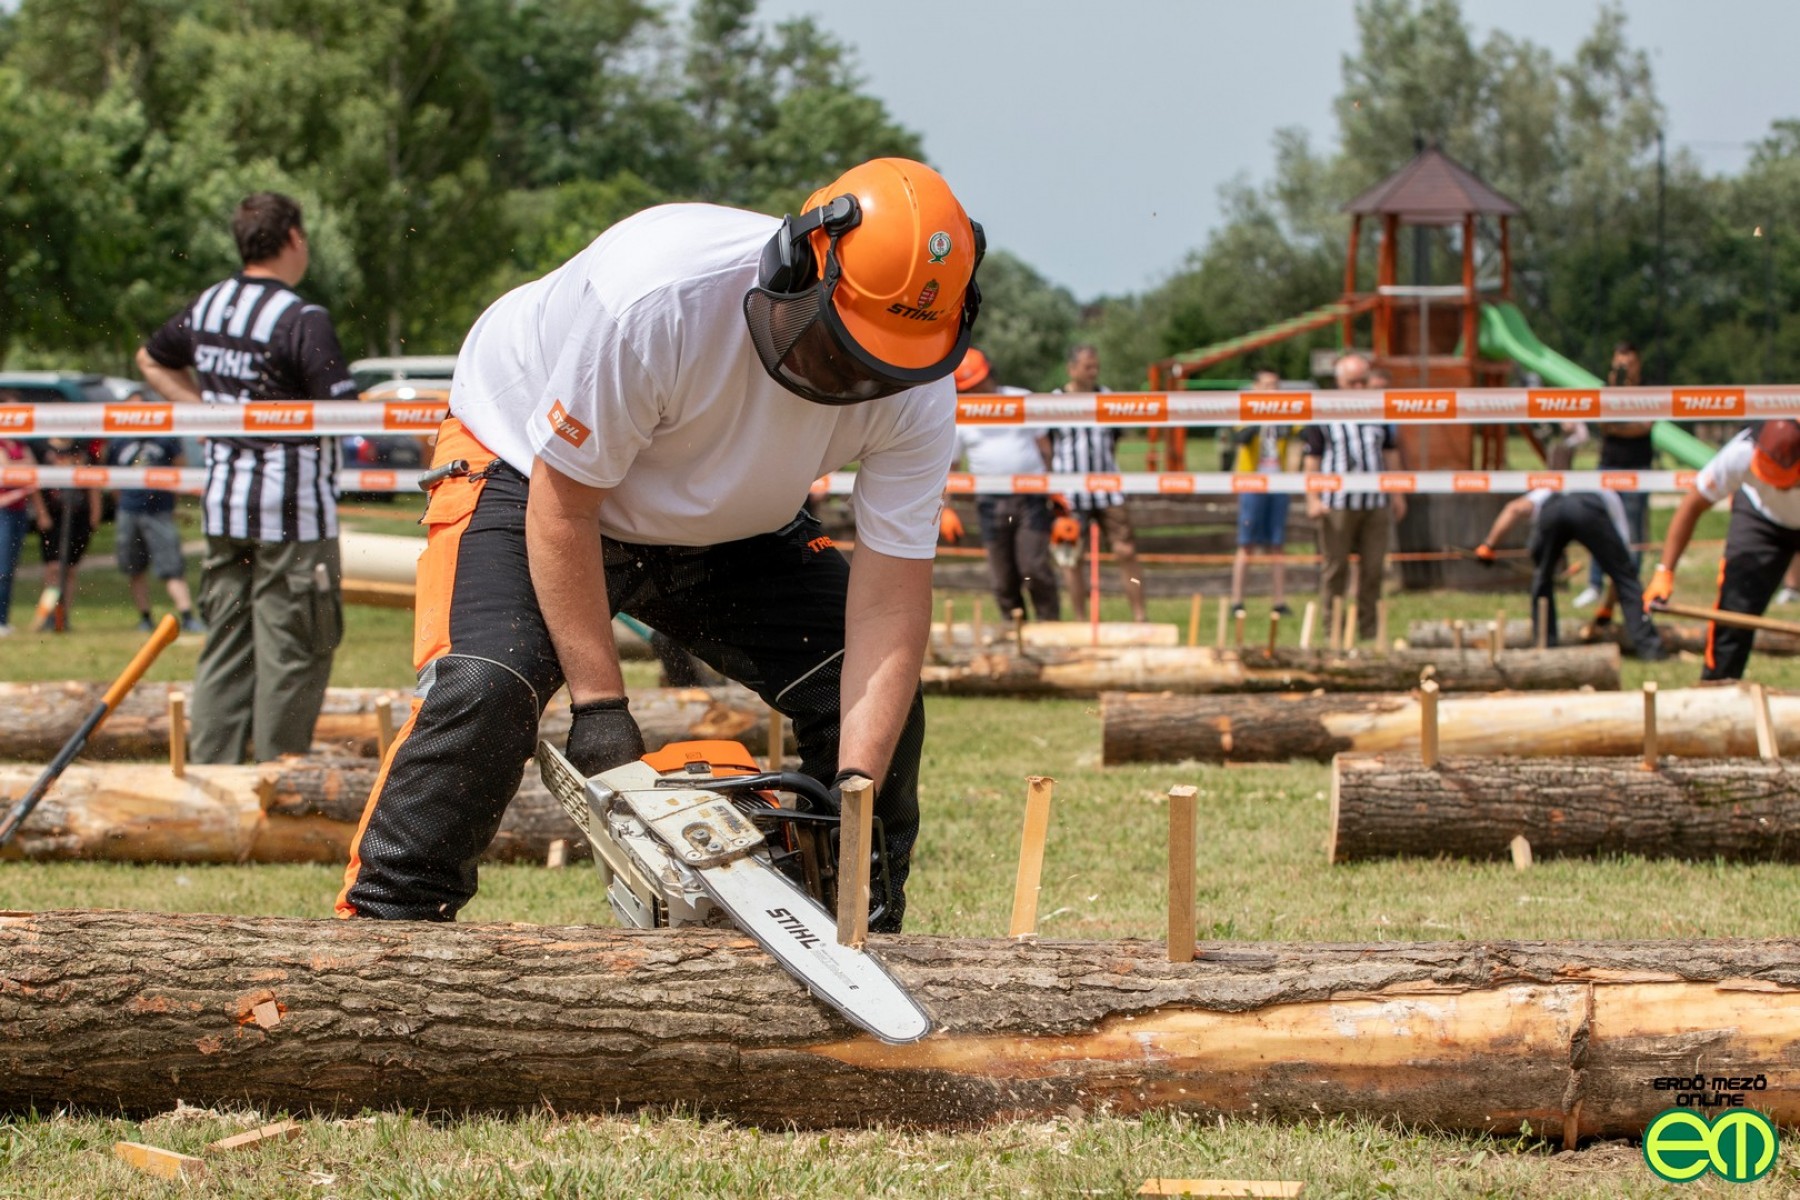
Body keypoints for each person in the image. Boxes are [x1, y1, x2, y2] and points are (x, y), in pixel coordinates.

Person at [333, 158, 984, 931]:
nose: (853, 381)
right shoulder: (658, 298)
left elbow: (890, 600)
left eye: (877, 367)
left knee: (874, 698)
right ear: (794, 271)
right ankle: (385, 931)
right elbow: (564, 505)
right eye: (838, 349)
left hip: (729, 520)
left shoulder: (918, 379)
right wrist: (602, 709)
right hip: (527, 467)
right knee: (487, 686)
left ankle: (849, 925)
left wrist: (854, 790)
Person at [136, 192, 359, 762]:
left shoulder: (210, 305)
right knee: (296, 647)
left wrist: (207, 413)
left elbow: (151, 358)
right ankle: (277, 779)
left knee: (226, 645)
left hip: (224, 504)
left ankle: (215, 772)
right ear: (292, 239)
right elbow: (345, 411)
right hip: (293, 513)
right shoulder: (301, 318)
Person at [1644, 420, 1800, 680]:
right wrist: (1664, 571)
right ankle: (1717, 691)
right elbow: (1692, 505)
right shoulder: (1741, 454)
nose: (1776, 488)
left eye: (1783, 484)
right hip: (1761, 519)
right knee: (1734, 611)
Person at [1476, 487, 1664, 660]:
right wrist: (1607, 607)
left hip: (1553, 511)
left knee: (1542, 580)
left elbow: (1514, 509)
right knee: (1625, 577)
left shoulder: (1549, 486)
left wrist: (1489, 544)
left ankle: (1544, 642)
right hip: (1589, 511)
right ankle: (1650, 649)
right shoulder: (1609, 494)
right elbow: (1621, 571)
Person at [1300, 352, 1407, 642]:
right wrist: (1312, 498)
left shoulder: (1379, 411)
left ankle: (1369, 632)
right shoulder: (1323, 413)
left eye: (1363, 381)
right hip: (1337, 505)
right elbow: (1312, 460)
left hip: (1374, 504)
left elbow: (1390, 454)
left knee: (1373, 571)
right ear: (1339, 383)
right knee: (1335, 571)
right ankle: (1332, 633)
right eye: (1352, 382)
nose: (1359, 388)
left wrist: (1397, 492)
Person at [951, 348, 1059, 622]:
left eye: (977, 385)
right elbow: (951, 466)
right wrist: (946, 508)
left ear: (989, 375)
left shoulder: (1021, 399)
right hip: (989, 501)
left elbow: (1045, 448)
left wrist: (1057, 489)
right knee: (1002, 578)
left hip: (1031, 497)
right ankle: (1012, 635)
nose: (975, 393)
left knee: (1033, 567)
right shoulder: (960, 413)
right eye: (968, 388)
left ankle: (1050, 627)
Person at [1049, 344, 1148, 622]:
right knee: (1070, 555)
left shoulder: (1108, 398)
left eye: (1096, 366)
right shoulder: (1055, 400)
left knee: (1125, 549)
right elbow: (1048, 444)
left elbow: (1114, 438)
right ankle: (1081, 620)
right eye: (1087, 367)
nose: (1093, 372)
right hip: (1070, 490)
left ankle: (1140, 617)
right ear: (1072, 369)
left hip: (1108, 487)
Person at [1575, 342, 1653, 608]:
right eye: (1617, 365)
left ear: (1638, 363)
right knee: (1599, 526)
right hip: (1607, 466)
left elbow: (1642, 428)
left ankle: (1628, 588)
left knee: (1634, 531)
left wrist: (1618, 427)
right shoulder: (1607, 390)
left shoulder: (1648, 391)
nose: (1622, 370)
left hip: (1637, 468)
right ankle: (1595, 585)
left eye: (1627, 364)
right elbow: (1604, 425)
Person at [108, 429, 203, 633]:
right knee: (134, 567)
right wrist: (122, 505)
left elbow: (180, 467)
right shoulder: (119, 440)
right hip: (129, 510)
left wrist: (173, 502)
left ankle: (187, 616)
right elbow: (112, 476)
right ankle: (145, 618)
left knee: (172, 565)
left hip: (160, 510)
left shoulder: (166, 438)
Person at [1227, 366, 1295, 617]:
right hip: (1251, 482)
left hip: (1279, 482)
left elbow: (1303, 430)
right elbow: (1241, 437)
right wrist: (1261, 415)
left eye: (1275, 385)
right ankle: (1237, 601)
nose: (1272, 391)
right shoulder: (1245, 410)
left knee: (1277, 544)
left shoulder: (1286, 412)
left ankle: (1278, 601)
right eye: (1266, 385)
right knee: (1247, 543)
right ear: (1256, 387)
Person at [28, 440, 104, 633]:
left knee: (70, 570)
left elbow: (93, 484)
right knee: (53, 568)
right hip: (53, 516)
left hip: (79, 516)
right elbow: (33, 482)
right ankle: (47, 614)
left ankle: (63, 615)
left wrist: (95, 513)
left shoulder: (83, 449)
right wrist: (41, 513)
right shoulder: (40, 448)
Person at [0, 398, 33, 635]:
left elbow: (30, 469)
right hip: (3, 511)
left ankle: (3, 619)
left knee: (9, 568)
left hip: (17, 511)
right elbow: (9, 473)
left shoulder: (21, 443)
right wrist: (21, 474)